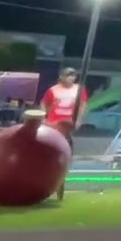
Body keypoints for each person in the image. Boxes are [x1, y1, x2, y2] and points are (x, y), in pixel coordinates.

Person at [41, 68, 87, 200]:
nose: (71, 78)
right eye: (68, 75)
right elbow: (44, 103)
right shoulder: (53, 90)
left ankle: (60, 184)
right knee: (50, 155)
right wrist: (45, 119)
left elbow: (82, 105)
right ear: (61, 77)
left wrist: (78, 120)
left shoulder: (79, 90)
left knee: (66, 155)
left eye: (73, 75)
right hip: (54, 125)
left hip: (68, 125)